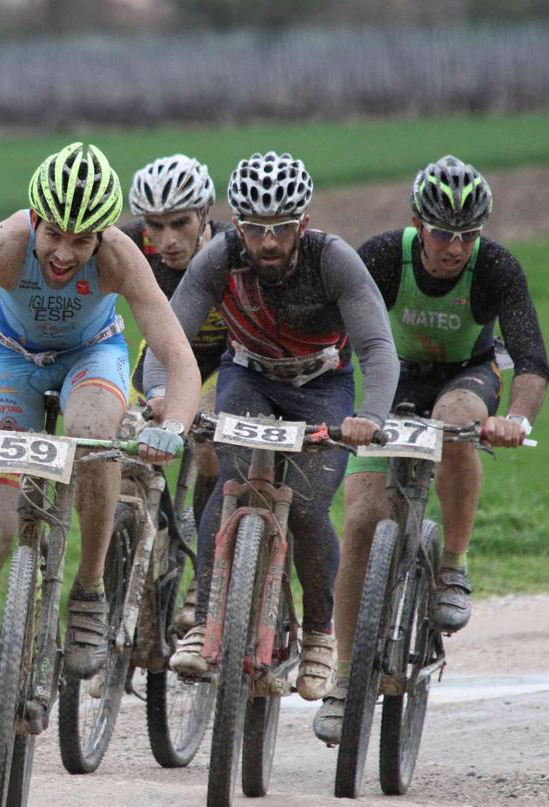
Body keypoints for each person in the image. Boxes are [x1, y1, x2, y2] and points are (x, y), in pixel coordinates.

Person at [0, 142, 202, 781]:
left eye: (80, 241)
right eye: (53, 234)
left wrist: (173, 426)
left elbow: (179, 357)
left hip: (93, 356)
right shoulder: (5, 243)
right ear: (35, 220)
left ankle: (87, 590)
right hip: (9, 361)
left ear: (103, 237)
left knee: (91, 432)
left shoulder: (120, 257)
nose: (63, 253)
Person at [142, 151, 398, 701]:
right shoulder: (219, 257)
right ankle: (206, 620)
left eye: (282, 227)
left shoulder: (334, 261)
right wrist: (162, 394)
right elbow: (169, 336)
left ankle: (318, 634)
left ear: (303, 223)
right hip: (249, 376)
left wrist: (370, 418)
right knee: (232, 484)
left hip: (322, 386)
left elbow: (378, 347)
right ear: (237, 224)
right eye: (255, 228)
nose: (268, 242)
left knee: (306, 506)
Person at [313, 154, 549, 743]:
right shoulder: (382, 257)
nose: (454, 247)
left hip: (466, 377)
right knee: (363, 520)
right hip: (393, 381)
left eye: (467, 235)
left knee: (457, 422)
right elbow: (331, 330)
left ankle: (452, 567)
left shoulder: (494, 267)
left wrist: (515, 418)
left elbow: (532, 361)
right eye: (443, 232)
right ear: (418, 222)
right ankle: (345, 680)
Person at [120, 153, 234, 628]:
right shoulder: (130, 245)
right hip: (166, 356)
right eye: (154, 225)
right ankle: (141, 549)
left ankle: (202, 574)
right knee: (123, 444)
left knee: (207, 438)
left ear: (205, 211)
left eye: (179, 224)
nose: (165, 241)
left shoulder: (232, 247)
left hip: (225, 359)